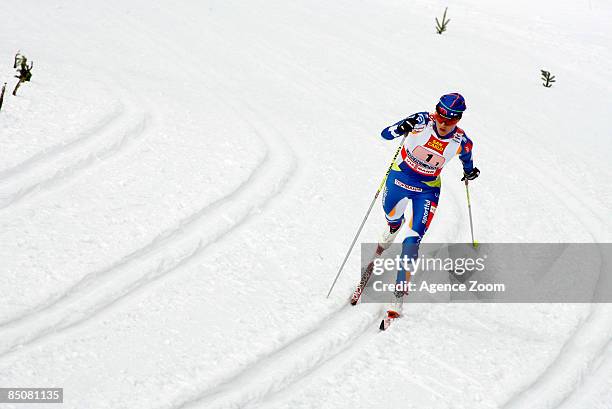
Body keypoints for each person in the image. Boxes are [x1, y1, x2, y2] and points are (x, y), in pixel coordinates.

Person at [378, 92, 480, 319]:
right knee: (391, 215)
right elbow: (385, 134)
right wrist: (402, 127)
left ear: (458, 119)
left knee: (413, 240)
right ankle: (394, 226)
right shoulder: (420, 122)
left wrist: (469, 171)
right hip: (399, 178)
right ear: (436, 111)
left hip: (427, 189)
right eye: (441, 116)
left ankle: (398, 296)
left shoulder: (462, 141)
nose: (444, 123)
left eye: (451, 119)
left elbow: (467, 158)